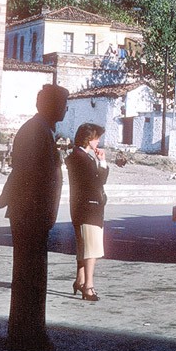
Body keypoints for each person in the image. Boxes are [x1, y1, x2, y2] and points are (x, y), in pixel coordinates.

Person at [0, 84, 69, 351]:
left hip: (33, 214)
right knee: (30, 277)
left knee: (32, 277)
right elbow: (28, 175)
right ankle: (26, 336)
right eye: (62, 103)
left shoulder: (41, 130)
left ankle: (29, 333)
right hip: (30, 214)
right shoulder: (36, 132)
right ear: (47, 105)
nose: (65, 108)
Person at [66, 123, 109, 302]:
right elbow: (98, 181)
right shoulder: (82, 158)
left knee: (83, 247)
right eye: (96, 137)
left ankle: (80, 280)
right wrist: (103, 162)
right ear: (88, 138)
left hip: (81, 207)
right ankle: (88, 286)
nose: (98, 141)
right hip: (89, 208)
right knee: (92, 249)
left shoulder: (78, 156)